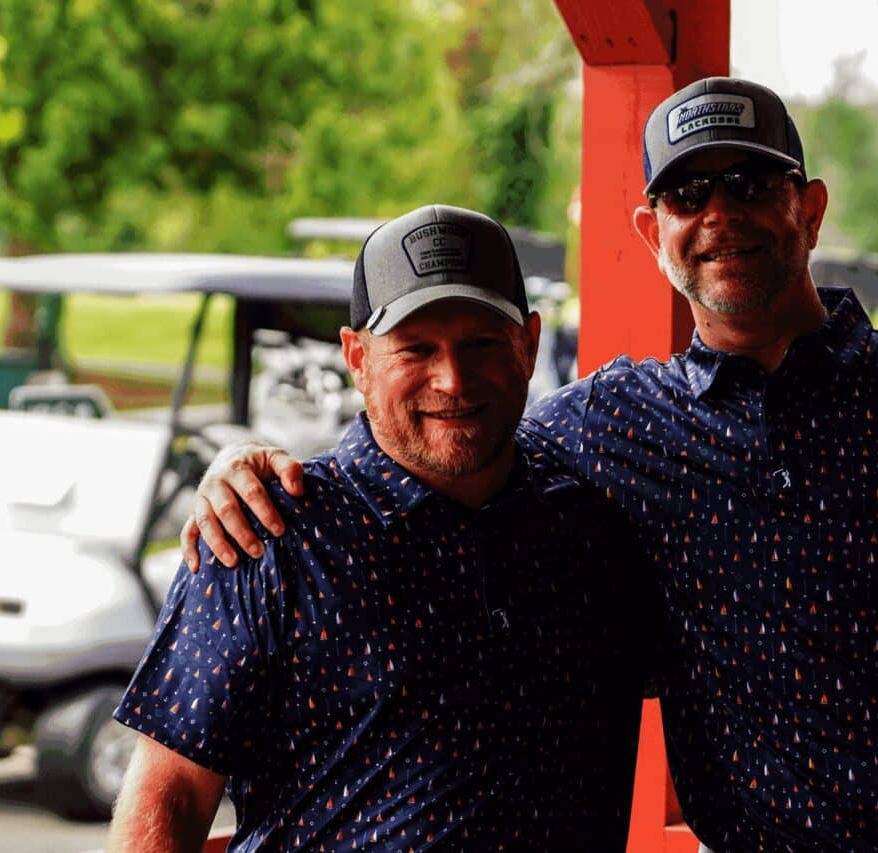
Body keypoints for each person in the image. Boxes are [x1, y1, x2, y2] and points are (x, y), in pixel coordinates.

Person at [184, 79, 878, 852]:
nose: (720, 215)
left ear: (810, 207)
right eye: (686, 192)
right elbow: (439, 435)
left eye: (750, 183)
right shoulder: (598, 429)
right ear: (646, 230)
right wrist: (252, 461)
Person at [108, 205, 651, 852]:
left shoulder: (594, 528)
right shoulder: (267, 534)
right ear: (357, 358)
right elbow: (166, 799)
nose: (452, 379)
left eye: (481, 341)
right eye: (416, 348)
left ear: (530, 343)